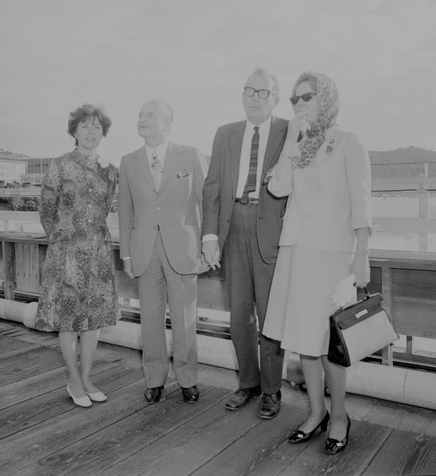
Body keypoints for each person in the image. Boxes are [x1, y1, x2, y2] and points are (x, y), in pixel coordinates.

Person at [262, 71, 371, 454]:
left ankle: (339, 415)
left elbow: (361, 203)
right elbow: (277, 186)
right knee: (304, 342)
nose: (299, 105)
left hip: (331, 255)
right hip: (297, 252)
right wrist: (293, 138)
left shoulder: (348, 142)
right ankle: (316, 411)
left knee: (329, 344)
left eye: (306, 97)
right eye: (294, 100)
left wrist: (362, 255)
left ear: (325, 98)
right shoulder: (300, 143)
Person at [202, 68, 288, 419]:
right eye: (249, 91)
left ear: (275, 99)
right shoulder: (225, 134)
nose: (255, 97)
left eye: (263, 92)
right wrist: (209, 236)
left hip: (271, 230)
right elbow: (211, 187)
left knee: (270, 315)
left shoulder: (288, 131)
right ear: (242, 96)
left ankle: (271, 389)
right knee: (239, 315)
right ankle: (248, 383)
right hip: (232, 226)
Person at [118, 99, 208, 404]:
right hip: (145, 251)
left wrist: (209, 244)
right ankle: (154, 379)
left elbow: (205, 201)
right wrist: (127, 255)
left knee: (185, 321)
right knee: (150, 319)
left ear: (167, 123)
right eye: (140, 114)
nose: (142, 118)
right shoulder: (128, 162)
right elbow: (125, 211)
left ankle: (188, 379)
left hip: (182, 250)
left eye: (150, 115)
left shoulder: (191, 156)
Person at [35, 103, 118, 408]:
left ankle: (87, 377)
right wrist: (63, 240)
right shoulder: (60, 165)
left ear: (103, 132)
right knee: (69, 320)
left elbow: (105, 208)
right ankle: (73, 379)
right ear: (75, 130)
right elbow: (46, 211)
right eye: (85, 126)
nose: (91, 131)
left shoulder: (109, 170)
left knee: (93, 321)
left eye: (97, 126)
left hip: (97, 255)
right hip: (67, 254)